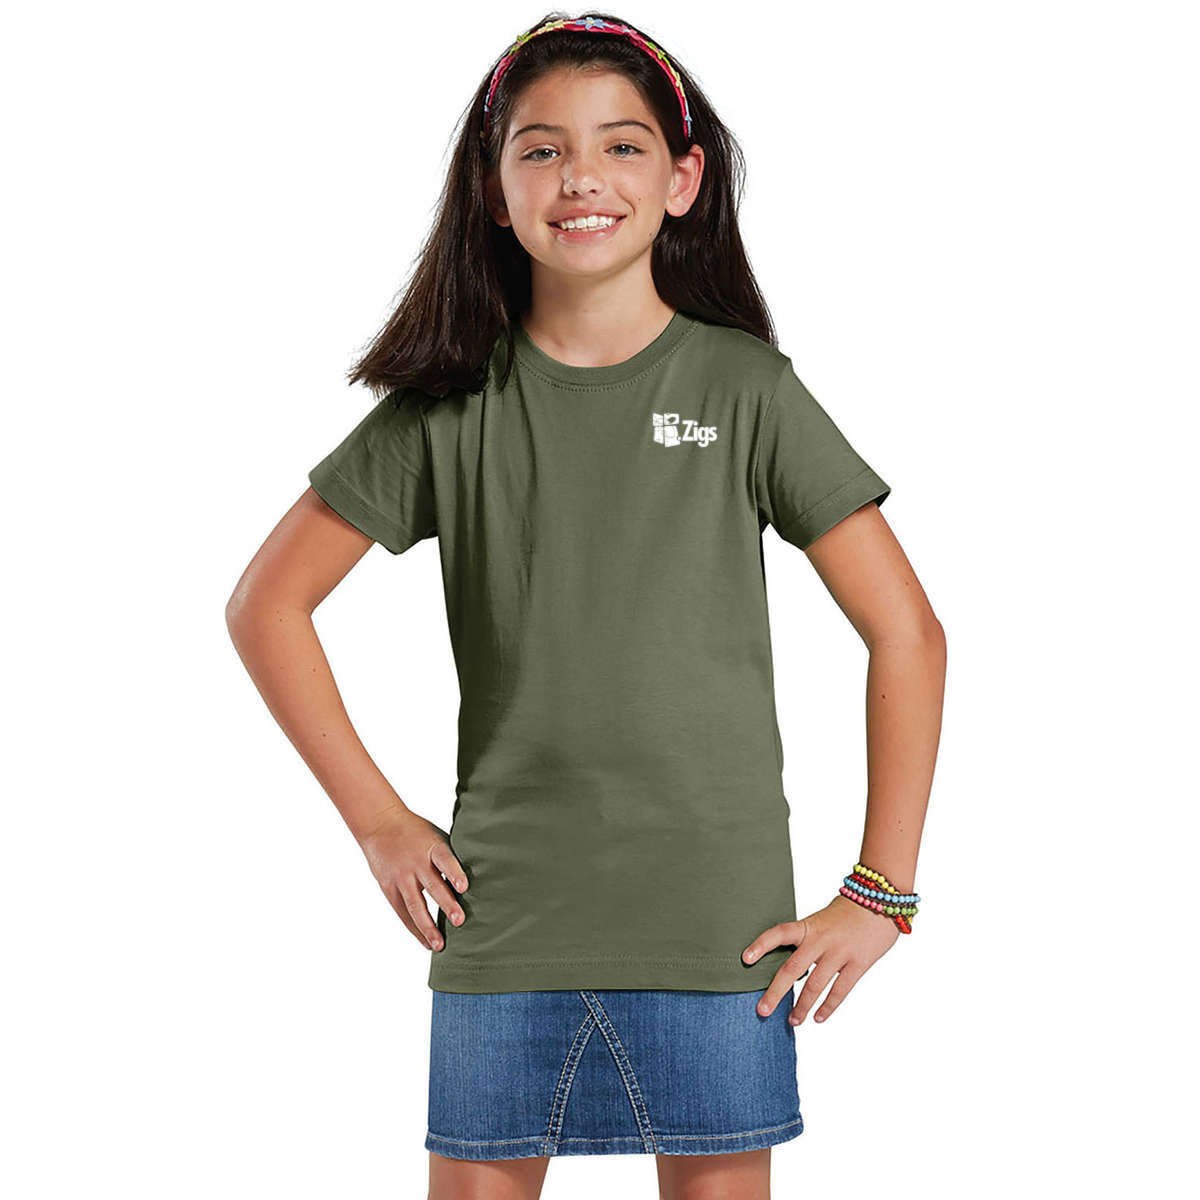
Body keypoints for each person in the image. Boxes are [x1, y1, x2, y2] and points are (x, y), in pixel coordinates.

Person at [225, 12, 946, 1200]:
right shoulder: (445, 409)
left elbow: (907, 632)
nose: (581, 178)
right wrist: (379, 822)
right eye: (542, 149)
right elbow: (268, 605)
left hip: (718, 934)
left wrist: (883, 890)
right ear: (494, 189)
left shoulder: (745, 388)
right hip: (503, 923)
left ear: (681, 180)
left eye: (620, 146)